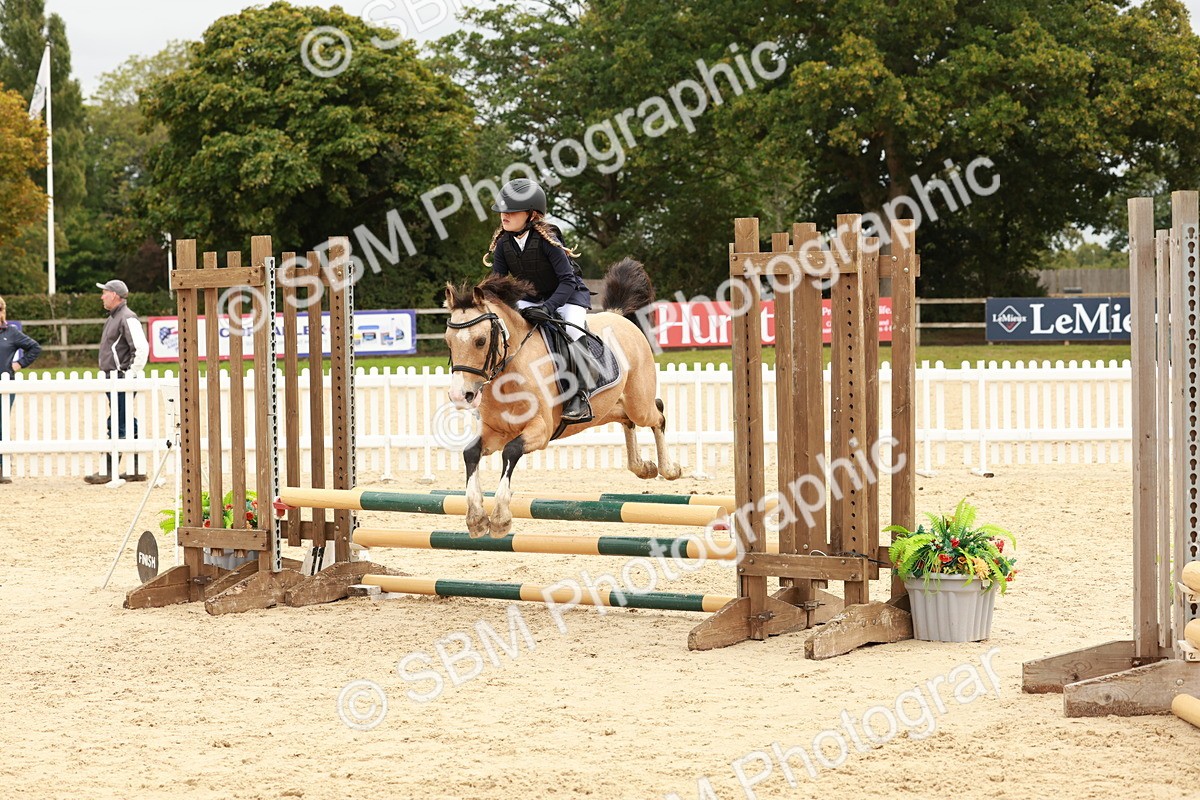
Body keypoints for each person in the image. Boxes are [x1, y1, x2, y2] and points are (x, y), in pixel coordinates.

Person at [484, 178, 598, 422]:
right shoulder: (504, 243)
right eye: (503, 211)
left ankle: (579, 395)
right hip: (532, 298)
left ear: (531, 214)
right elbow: (498, 284)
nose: (504, 215)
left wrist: (547, 307)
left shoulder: (548, 239)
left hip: (568, 295)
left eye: (512, 211)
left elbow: (567, 281)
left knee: (571, 331)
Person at [86, 279, 150, 484]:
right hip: (115, 378)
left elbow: (141, 348)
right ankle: (136, 468)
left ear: (114, 295)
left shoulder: (127, 317)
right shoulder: (116, 317)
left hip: (120, 378)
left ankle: (108, 470)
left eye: (104, 293)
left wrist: (130, 373)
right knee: (126, 420)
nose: (101, 296)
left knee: (118, 422)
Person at [0, 296, 42, 484]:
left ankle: (2, 468)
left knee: (1, 425)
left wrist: (19, 364)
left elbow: (34, 347)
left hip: (5, 385)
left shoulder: (12, 332)